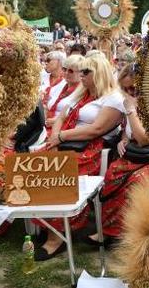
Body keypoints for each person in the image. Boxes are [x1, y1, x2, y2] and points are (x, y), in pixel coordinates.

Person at [38, 54, 125, 260]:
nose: (81, 75)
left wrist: (61, 136)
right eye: (81, 71)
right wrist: (55, 139)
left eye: (86, 72)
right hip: (64, 142)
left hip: (89, 149)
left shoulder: (113, 98)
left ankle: (55, 237)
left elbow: (96, 129)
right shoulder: (82, 94)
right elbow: (61, 116)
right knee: (36, 168)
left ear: (100, 74)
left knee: (57, 176)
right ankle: (49, 226)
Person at [95, 64, 149, 244]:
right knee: (112, 173)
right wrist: (123, 139)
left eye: (134, 88)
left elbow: (144, 138)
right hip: (139, 155)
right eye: (125, 89)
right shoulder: (135, 101)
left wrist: (130, 109)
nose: (130, 92)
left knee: (136, 181)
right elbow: (129, 131)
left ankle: (130, 233)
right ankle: (111, 231)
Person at [44, 54, 83, 134]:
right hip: (46, 127)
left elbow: (80, 114)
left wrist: (58, 120)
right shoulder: (62, 85)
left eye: (71, 71)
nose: (66, 73)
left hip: (63, 131)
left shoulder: (83, 91)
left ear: (81, 73)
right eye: (65, 69)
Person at [40, 51, 67, 125]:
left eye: (48, 60)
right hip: (37, 116)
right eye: (45, 61)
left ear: (59, 62)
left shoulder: (67, 81)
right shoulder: (41, 76)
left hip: (55, 121)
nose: (46, 63)